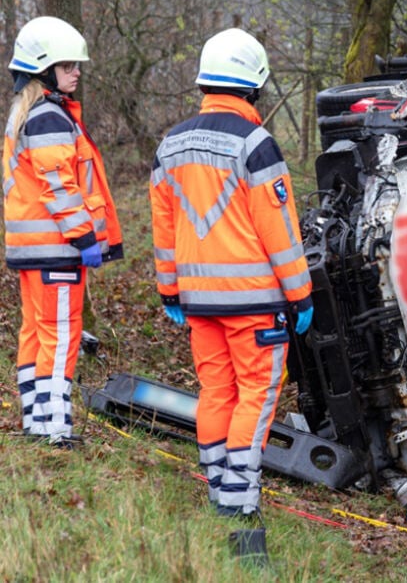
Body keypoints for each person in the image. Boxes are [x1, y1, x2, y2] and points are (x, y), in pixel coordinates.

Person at [150, 28, 314, 539]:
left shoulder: (170, 143)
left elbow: (163, 226)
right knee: (257, 395)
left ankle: (219, 492)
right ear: (254, 86)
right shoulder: (255, 144)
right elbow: (280, 232)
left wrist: (169, 289)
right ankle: (239, 504)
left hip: (198, 302)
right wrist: (301, 294)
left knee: (215, 393)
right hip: (254, 302)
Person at [3, 16, 123, 447]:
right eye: (68, 65)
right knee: (60, 336)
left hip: (31, 250)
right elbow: (60, 187)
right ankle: (56, 430)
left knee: (35, 333)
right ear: (43, 68)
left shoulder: (26, 113)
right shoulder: (50, 117)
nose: (76, 72)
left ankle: (37, 423)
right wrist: (84, 237)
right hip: (57, 250)